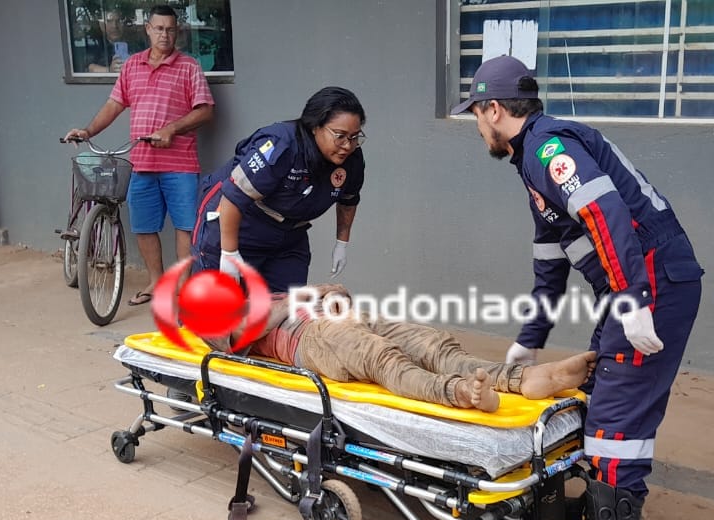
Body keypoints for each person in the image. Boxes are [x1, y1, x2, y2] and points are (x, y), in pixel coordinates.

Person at [453, 55, 704, 520]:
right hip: (638, 284)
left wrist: (632, 300)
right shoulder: (532, 161)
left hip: (649, 283)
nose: (477, 126)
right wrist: (530, 337)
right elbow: (550, 259)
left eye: (475, 114)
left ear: (492, 110)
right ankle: (602, 513)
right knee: (597, 390)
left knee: (616, 420)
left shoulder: (548, 149)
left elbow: (605, 213)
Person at [208, 284, 596, 412]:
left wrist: (327, 294)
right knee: (385, 359)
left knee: (435, 345)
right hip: (313, 340)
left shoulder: (268, 294)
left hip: (347, 316)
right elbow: (240, 335)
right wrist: (305, 296)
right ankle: (459, 393)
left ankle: (524, 378)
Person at [64, 4, 214, 307]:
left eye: (170, 29)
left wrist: (172, 129)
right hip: (142, 163)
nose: (164, 35)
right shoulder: (132, 65)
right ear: (148, 29)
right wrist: (88, 131)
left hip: (180, 164)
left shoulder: (189, 67)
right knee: (144, 227)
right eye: (159, 28)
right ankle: (156, 282)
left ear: (177, 32)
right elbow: (114, 105)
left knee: (186, 227)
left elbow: (205, 110)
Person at [191, 87, 366, 293]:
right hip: (240, 223)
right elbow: (233, 197)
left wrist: (341, 243)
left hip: (289, 235)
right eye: (340, 136)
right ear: (315, 126)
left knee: (287, 304)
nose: (347, 145)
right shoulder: (281, 145)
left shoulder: (351, 159)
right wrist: (229, 254)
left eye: (354, 137)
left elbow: (348, 200)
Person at [86, 9, 135, 74]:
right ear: (101, 25)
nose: (114, 26)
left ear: (124, 24)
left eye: (118, 21)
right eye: (109, 21)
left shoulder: (135, 46)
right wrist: (110, 70)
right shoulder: (97, 45)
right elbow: (91, 68)